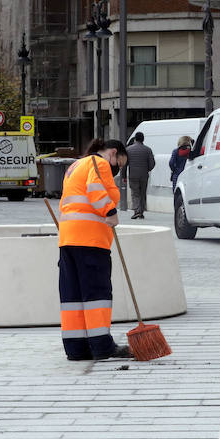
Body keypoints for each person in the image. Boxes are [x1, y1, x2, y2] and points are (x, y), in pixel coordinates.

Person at [58, 138, 133, 361]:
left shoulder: (75, 165)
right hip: (90, 239)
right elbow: (95, 189)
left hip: (68, 239)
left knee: (73, 296)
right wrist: (110, 212)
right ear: (112, 153)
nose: (117, 170)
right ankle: (102, 345)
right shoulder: (99, 163)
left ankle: (76, 348)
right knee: (96, 294)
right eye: (119, 164)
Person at [124, 132, 156, 219]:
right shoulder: (148, 150)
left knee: (135, 193)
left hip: (133, 175)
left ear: (135, 139)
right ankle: (141, 211)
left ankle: (137, 211)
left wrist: (123, 176)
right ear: (143, 139)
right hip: (144, 175)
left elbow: (124, 164)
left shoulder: (128, 149)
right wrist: (147, 169)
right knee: (142, 193)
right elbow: (152, 163)